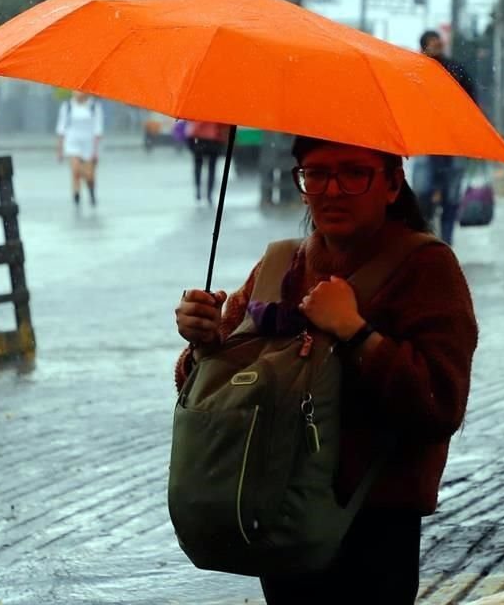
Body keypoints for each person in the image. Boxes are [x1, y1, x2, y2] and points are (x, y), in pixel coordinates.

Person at [174, 135, 478, 604]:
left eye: (354, 173)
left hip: (373, 523)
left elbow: (440, 403)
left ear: (393, 183)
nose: (331, 190)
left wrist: (357, 332)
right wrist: (206, 344)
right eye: (315, 173)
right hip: (277, 512)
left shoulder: (426, 269)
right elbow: (216, 387)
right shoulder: (280, 264)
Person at [416, 30, 478, 245]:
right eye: (431, 43)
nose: (437, 46)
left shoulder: (456, 70)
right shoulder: (415, 72)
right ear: (423, 47)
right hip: (427, 144)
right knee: (424, 193)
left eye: (438, 42)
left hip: (454, 143)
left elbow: (472, 103)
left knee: (451, 197)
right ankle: (427, 239)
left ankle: (446, 242)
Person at [56, 91, 103, 207]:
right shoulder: (67, 106)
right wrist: (60, 149)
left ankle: (91, 190)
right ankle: (76, 197)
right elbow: (61, 129)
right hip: (72, 142)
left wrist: (95, 151)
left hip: (89, 143)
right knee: (75, 171)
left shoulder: (94, 106)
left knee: (89, 175)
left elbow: (98, 129)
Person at [185, 120, 230, 204]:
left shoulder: (198, 109)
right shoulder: (219, 111)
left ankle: (198, 190)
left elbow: (192, 126)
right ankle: (209, 194)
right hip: (213, 139)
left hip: (198, 138)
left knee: (198, 165)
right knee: (211, 168)